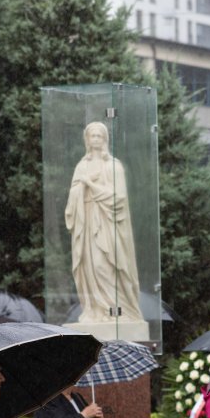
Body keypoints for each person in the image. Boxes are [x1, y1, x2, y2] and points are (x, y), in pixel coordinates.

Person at [65, 120, 144, 324]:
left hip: (107, 223)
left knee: (104, 265)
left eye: (100, 135)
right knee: (89, 266)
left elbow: (119, 197)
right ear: (87, 140)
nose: (96, 139)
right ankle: (94, 310)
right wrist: (81, 188)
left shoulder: (113, 166)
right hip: (88, 219)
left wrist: (90, 183)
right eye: (93, 136)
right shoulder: (82, 166)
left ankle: (115, 310)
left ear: (105, 139)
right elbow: (73, 196)